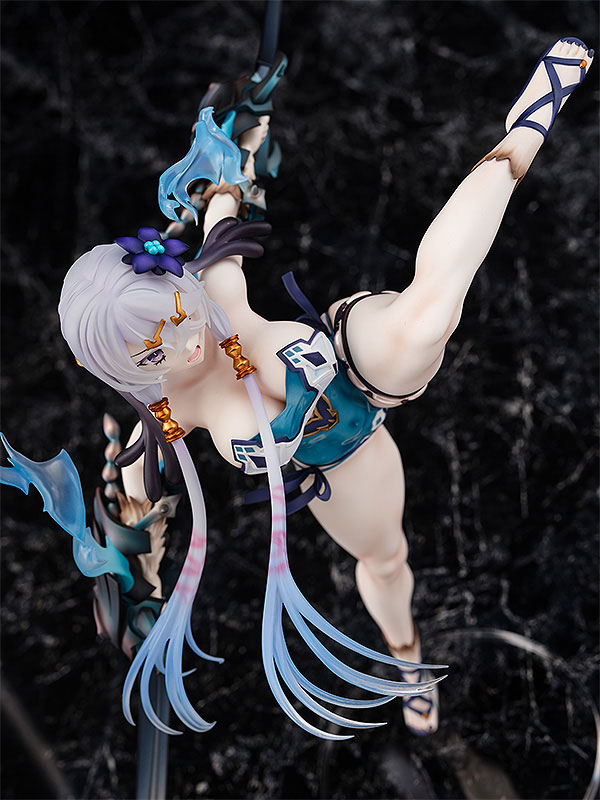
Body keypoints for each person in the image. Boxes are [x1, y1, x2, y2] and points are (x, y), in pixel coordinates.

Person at [11, 37, 595, 739]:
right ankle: (408, 657)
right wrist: (140, 590)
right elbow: (135, 528)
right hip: (342, 453)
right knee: (385, 561)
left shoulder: (211, 285)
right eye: (156, 349)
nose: (189, 342)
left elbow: (228, 187)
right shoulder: (167, 415)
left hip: (351, 356)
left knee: (427, 318)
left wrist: (240, 137)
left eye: (177, 314)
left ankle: (525, 128)